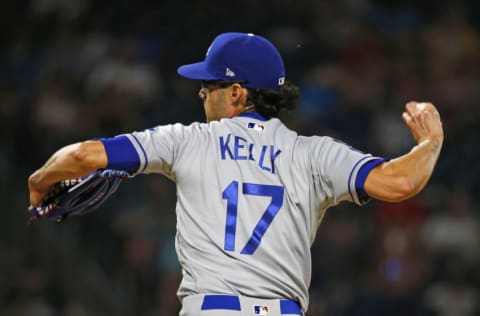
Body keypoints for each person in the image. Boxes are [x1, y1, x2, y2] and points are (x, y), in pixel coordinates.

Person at [28, 32, 444, 315]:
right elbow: (400, 182)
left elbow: (83, 156)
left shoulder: (188, 140)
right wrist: (431, 143)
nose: (201, 92)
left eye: (209, 84)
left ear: (237, 93)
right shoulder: (314, 154)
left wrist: (39, 182)